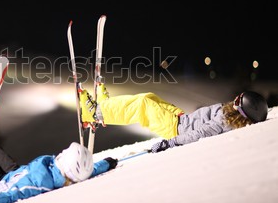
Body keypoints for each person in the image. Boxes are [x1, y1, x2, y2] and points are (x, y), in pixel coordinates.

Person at [79, 84, 269, 153]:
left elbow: (198, 133)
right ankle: (108, 106)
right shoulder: (230, 115)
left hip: (176, 129)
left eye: (238, 101)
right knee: (149, 96)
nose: (233, 100)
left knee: (142, 105)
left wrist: (170, 143)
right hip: (181, 119)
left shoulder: (224, 121)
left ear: (243, 112)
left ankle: (96, 114)